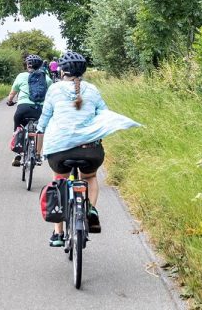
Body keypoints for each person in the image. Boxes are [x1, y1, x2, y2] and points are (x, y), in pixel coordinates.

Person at [36, 51, 139, 247]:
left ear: (62, 71)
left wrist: (40, 145)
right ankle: (90, 209)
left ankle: (58, 234)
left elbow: (44, 120)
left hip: (60, 151)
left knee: (60, 181)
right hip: (89, 151)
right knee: (90, 177)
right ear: (83, 71)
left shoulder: (55, 89)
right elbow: (105, 114)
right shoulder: (92, 90)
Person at [6, 54, 50, 167]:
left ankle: (18, 153)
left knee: (18, 127)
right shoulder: (47, 78)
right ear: (40, 65)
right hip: (39, 109)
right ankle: (38, 155)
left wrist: (9, 101)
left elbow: (12, 94)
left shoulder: (21, 76)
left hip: (23, 109)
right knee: (40, 130)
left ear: (27, 65)